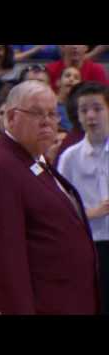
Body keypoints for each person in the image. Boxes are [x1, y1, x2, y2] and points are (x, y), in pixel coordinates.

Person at [0, 80, 100, 315]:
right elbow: (4, 261)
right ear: (11, 117)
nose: (47, 121)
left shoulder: (35, 160)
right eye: (37, 113)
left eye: (52, 114)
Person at [57, 82, 109, 314]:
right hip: (88, 244)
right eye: (84, 110)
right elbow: (59, 210)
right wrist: (91, 213)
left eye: (97, 108)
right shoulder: (69, 157)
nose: (91, 115)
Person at [56, 67, 82, 131]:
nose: (71, 79)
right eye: (67, 76)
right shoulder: (49, 105)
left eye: (76, 78)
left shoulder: (82, 109)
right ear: (58, 82)